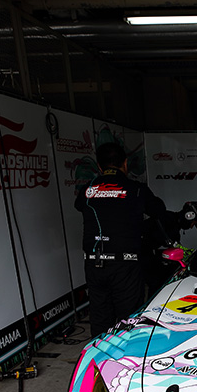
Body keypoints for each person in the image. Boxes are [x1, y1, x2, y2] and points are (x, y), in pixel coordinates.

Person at [74, 142, 163, 337]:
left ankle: (100, 354)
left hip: (95, 264)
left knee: (100, 321)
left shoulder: (87, 190)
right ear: (125, 163)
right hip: (125, 265)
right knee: (129, 321)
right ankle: (127, 355)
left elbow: (79, 205)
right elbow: (158, 210)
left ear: (99, 166)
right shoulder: (136, 189)